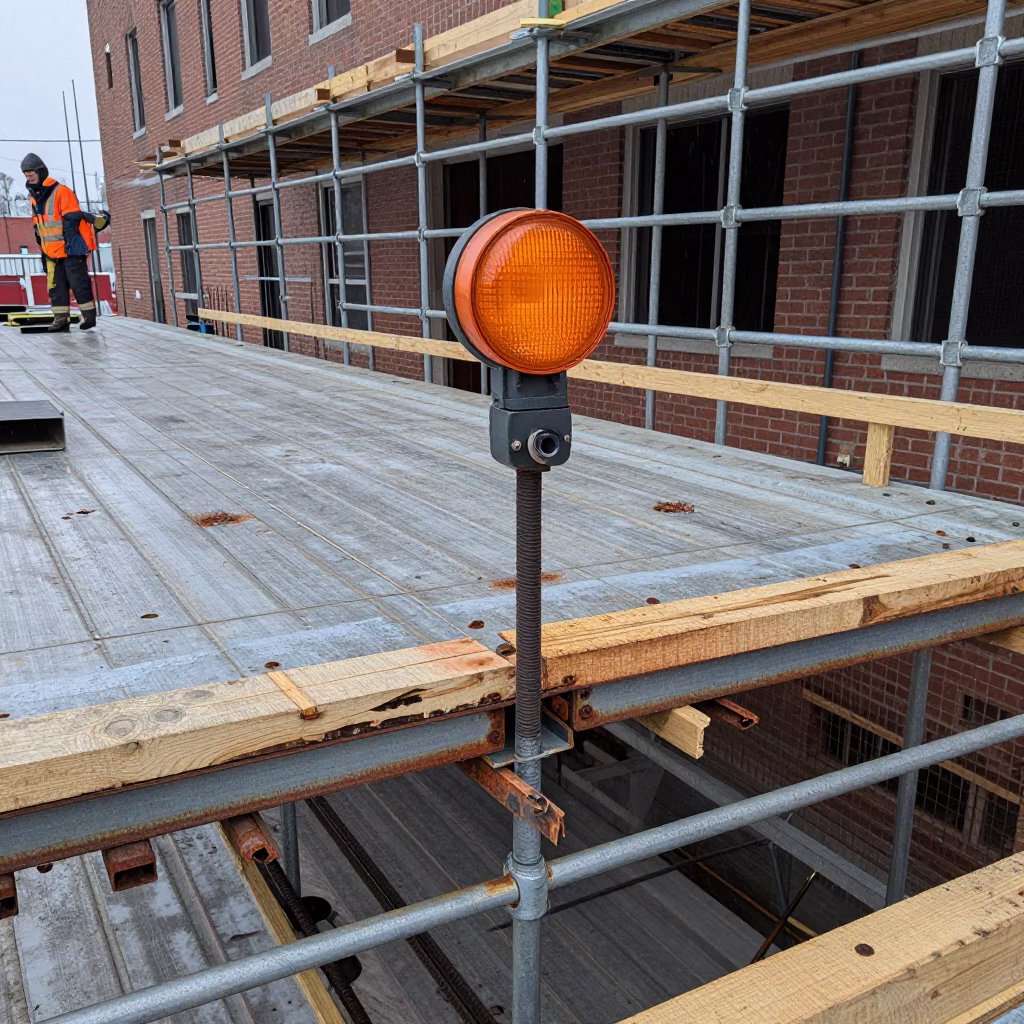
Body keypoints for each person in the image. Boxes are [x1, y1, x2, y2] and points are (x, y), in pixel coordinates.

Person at [22, 153, 110, 332]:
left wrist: (71, 245)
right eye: (26, 174)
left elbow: (72, 218)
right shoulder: (33, 197)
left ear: (41, 172)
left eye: (31, 172)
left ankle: (89, 317)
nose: (28, 176)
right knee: (56, 287)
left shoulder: (61, 191)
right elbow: (39, 225)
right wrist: (42, 247)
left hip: (69, 249)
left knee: (78, 283)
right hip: (50, 251)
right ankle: (60, 319)